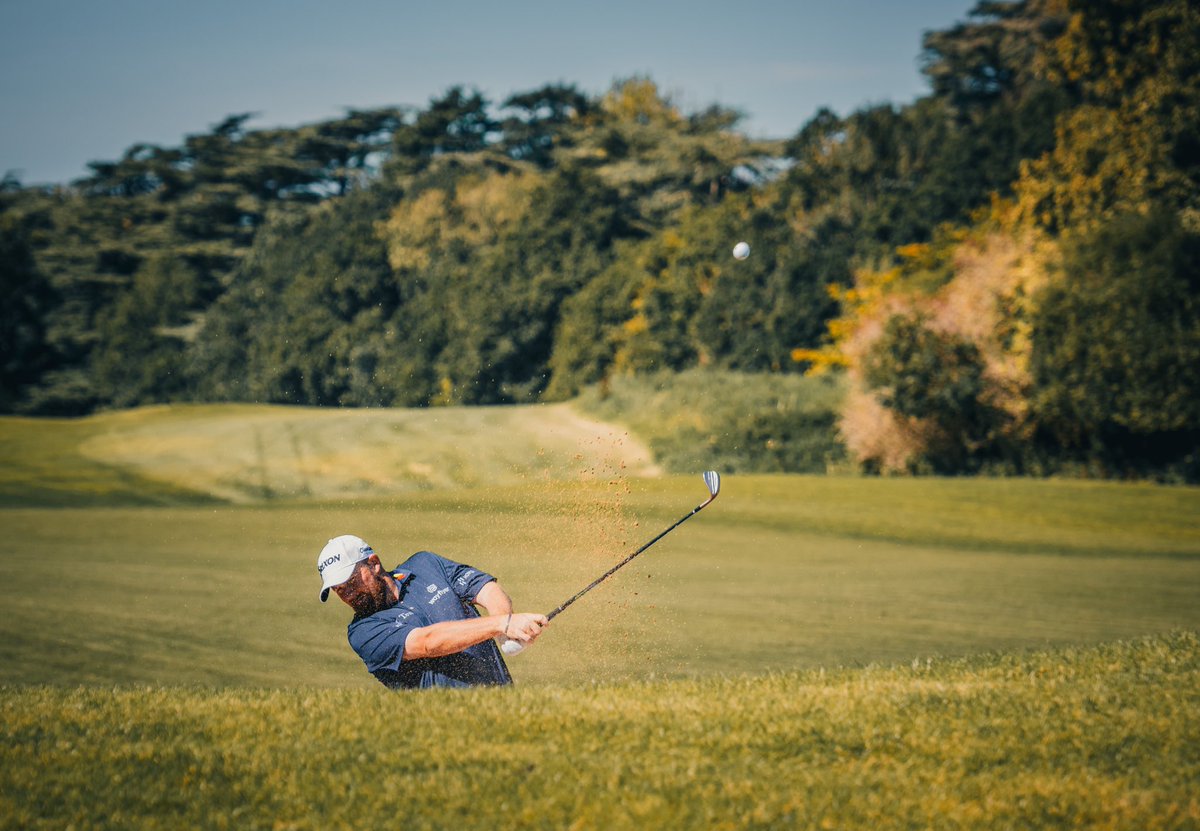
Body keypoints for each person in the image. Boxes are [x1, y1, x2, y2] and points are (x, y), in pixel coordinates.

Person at [316, 534, 548, 689]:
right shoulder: (363, 632)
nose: (348, 594)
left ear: (374, 564)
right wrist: (500, 624)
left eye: (351, 581)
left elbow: (485, 588)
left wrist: (503, 628)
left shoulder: (425, 565)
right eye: (338, 590)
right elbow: (428, 642)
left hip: (505, 704)